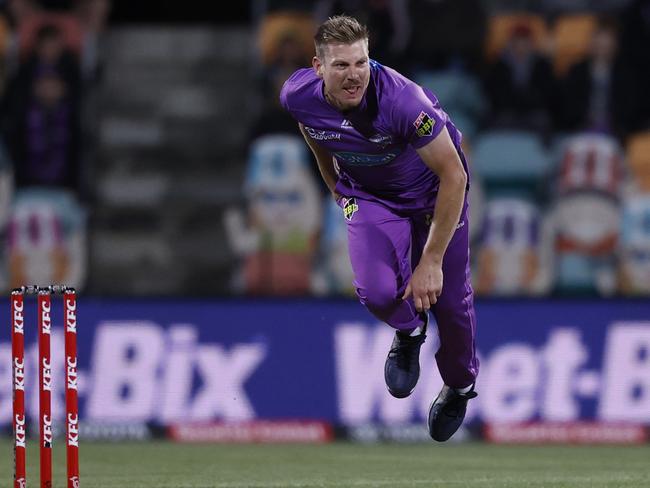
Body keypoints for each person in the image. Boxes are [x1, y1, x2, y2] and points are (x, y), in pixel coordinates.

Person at [280, 15, 479, 442]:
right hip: (371, 197)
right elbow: (315, 134)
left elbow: (455, 176)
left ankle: (460, 386)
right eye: (341, 66)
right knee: (375, 291)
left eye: (361, 63)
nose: (354, 76)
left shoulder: (404, 103)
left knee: (451, 305)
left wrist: (431, 261)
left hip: (433, 197)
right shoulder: (297, 95)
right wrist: (337, 189)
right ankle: (409, 332)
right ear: (318, 67)